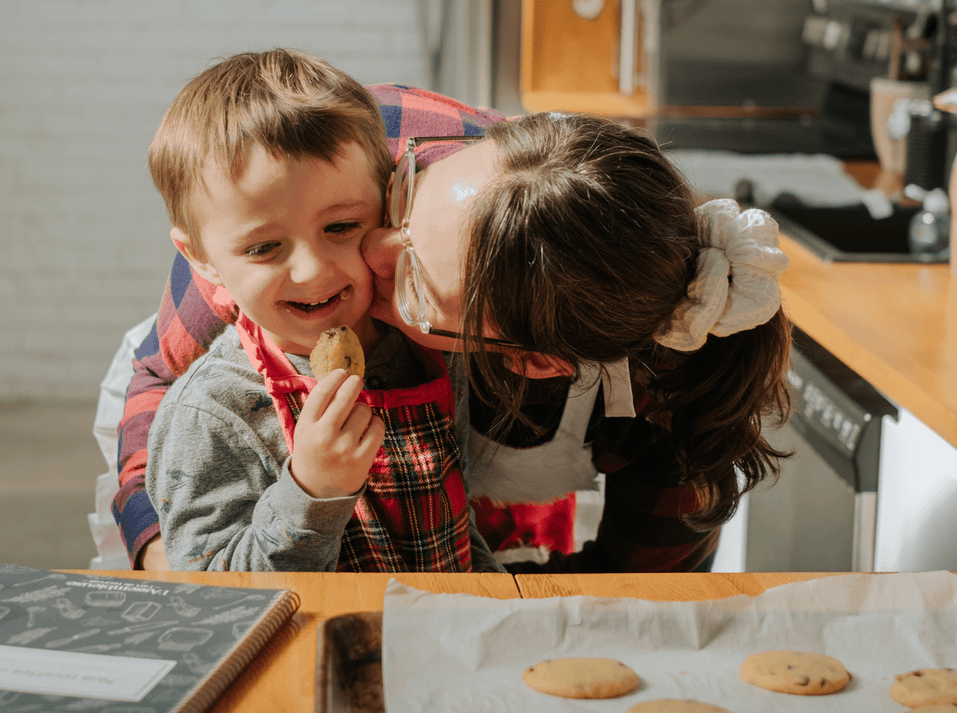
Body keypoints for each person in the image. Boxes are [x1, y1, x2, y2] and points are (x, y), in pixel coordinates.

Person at [116, 58, 792, 573]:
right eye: (401, 204)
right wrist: (166, 555)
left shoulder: (669, 374)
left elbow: (637, 585)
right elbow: (154, 383)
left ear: (527, 359)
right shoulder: (306, 179)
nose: (358, 255)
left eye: (410, 279)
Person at [138, 49, 501, 572]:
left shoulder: (429, 348)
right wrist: (312, 491)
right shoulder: (211, 414)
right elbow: (213, 591)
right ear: (201, 258)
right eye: (263, 248)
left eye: (341, 228)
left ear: (388, 205)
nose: (312, 271)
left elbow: (454, 524)